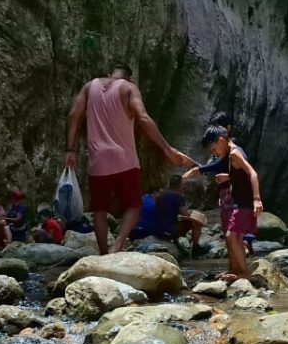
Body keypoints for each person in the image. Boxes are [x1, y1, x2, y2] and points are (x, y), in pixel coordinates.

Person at [64, 63, 194, 254]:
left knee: (99, 210)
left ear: (110, 74)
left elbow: (73, 115)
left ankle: (103, 252)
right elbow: (143, 118)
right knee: (134, 205)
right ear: (129, 78)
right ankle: (116, 247)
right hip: (125, 160)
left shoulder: (89, 86)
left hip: (98, 160)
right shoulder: (129, 88)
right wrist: (167, 149)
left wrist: (70, 149)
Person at [201, 126, 262, 280]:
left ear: (221, 140)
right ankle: (236, 270)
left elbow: (252, 173)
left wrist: (256, 199)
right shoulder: (233, 153)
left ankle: (243, 273)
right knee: (233, 236)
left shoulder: (234, 153)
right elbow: (240, 175)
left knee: (232, 236)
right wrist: (228, 177)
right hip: (241, 202)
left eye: (214, 149)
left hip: (245, 202)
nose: (214, 154)